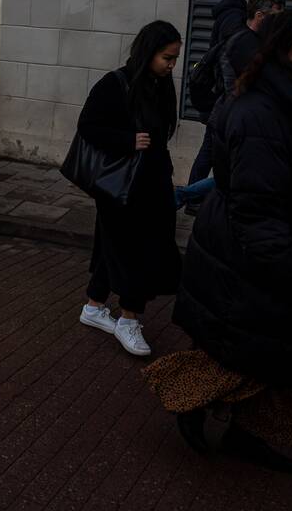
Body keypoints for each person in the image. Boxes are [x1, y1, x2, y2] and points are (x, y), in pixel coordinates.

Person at [144, 11, 292, 474]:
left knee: (272, 349)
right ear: (280, 53)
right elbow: (257, 205)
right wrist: (286, 265)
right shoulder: (259, 113)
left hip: (269, 242)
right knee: (249, 350)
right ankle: (189, 399)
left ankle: (249, 434)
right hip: (254, 251)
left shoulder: (286, 101)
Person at [77, 21, 183, 357]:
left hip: (152, 182)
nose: (171, 65)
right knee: (135, 250)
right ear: (148, 52)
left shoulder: (161, 84)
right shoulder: (115, 83)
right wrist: (126, 140)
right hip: (119, 185)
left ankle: (94, 306)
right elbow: (88, 126)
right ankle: (129, 319)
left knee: (123, 246)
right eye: (167, 57)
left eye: (175, 59)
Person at [187, 0, 271, 188]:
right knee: (213, 150)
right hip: (224, 96)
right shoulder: (233, 17)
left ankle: (193, 196)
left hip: (225, 97)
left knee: (211, 149)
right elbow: (230, 57)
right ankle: (192, 196)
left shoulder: (239, 15)